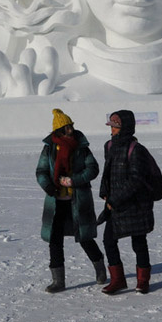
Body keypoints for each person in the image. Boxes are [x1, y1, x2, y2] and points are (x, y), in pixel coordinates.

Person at [35, 109, 106, 293]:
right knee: (55, 240)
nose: (71, 129)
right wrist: (48, 186)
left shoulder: (81, 147)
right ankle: (58, 281)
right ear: (59, 129)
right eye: (67, 126)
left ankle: (99, 266)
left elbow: (93, 169)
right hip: (56, 202)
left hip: (78, 201)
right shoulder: (49, 148)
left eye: (71, 125)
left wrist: (74, 180)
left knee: (85, 237)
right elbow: (41, 171)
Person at [98, 109, 156, 294]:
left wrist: (115, 199)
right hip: (115, 205)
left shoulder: (136, 149)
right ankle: (118, 280)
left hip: (135, 205)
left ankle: (143, 281)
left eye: (115, 127)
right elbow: (107, 173)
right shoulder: (109, 146)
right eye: (112, 126)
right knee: (108, 240)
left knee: (138, 242)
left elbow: (136, 180)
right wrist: (105, 192)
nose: (112, 130)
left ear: (125, 128)